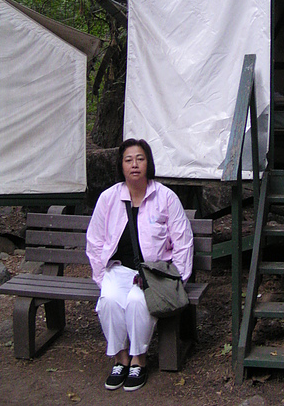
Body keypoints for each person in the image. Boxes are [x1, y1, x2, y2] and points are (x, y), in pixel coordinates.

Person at [86, 138, 194, 392]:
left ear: (149, 163)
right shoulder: (109, 198)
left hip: (153, 272)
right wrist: (101, 278)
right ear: (121, 166)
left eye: (140, 159)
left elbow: (183, 242)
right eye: (128, 160)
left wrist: (176, 281)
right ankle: (120, 358)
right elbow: (95, 240)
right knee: (110, 301)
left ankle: (139, 359)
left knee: (137, 301)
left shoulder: (165, 197)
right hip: (118, 269)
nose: (134, 165)